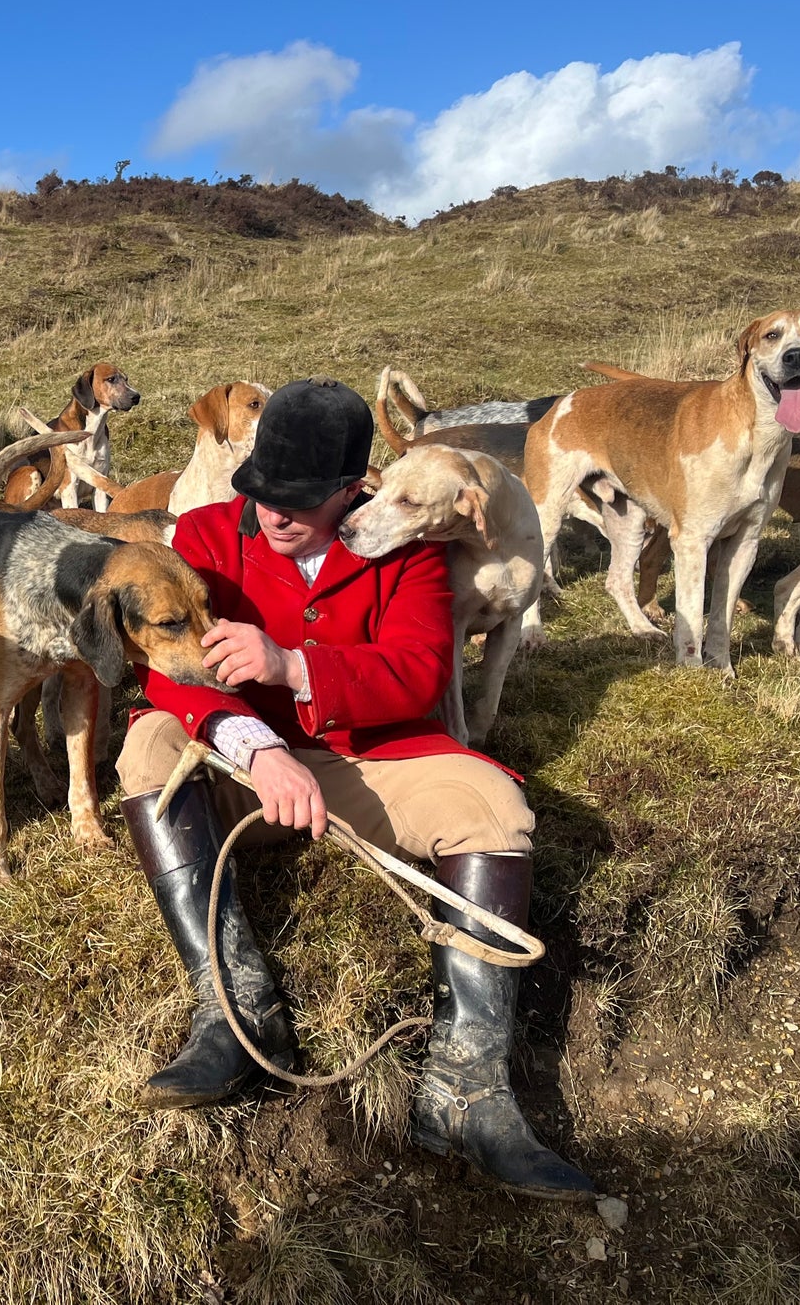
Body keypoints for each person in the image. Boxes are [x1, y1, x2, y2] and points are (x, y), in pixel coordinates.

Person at [115, 377, 592, 1201]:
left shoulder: (408, 545)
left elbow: (417, 675)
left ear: (353, 489)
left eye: (300, 499)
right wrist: (257, 744)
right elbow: (162, 669)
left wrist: (292, 666)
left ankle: (463, 1090)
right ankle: (232, 1010)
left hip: (370, 762)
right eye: (260, 489)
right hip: (244, 769)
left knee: (495, 809)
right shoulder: (197, 535)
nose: (272, 513)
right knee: (147, 746)